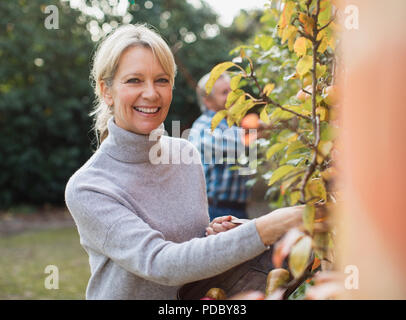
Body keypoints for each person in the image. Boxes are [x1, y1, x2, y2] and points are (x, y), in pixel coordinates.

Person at [65, 23, 312, 300]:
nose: (151, 93)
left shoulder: (186, 154)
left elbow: (192, 252)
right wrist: (266, 228)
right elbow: (160, 262)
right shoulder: (89, 187)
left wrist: (218, 234)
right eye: (134, 80)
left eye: (161, 80)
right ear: (106, 90)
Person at [188, 74, 263, 221]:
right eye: (224, 93)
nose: (232, 96)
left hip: (236, 209)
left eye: (232, 90)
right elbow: (236, 142)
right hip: (215, 211)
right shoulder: (204, 127)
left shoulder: (230, 125)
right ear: (207, 101)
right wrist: (263, 128)